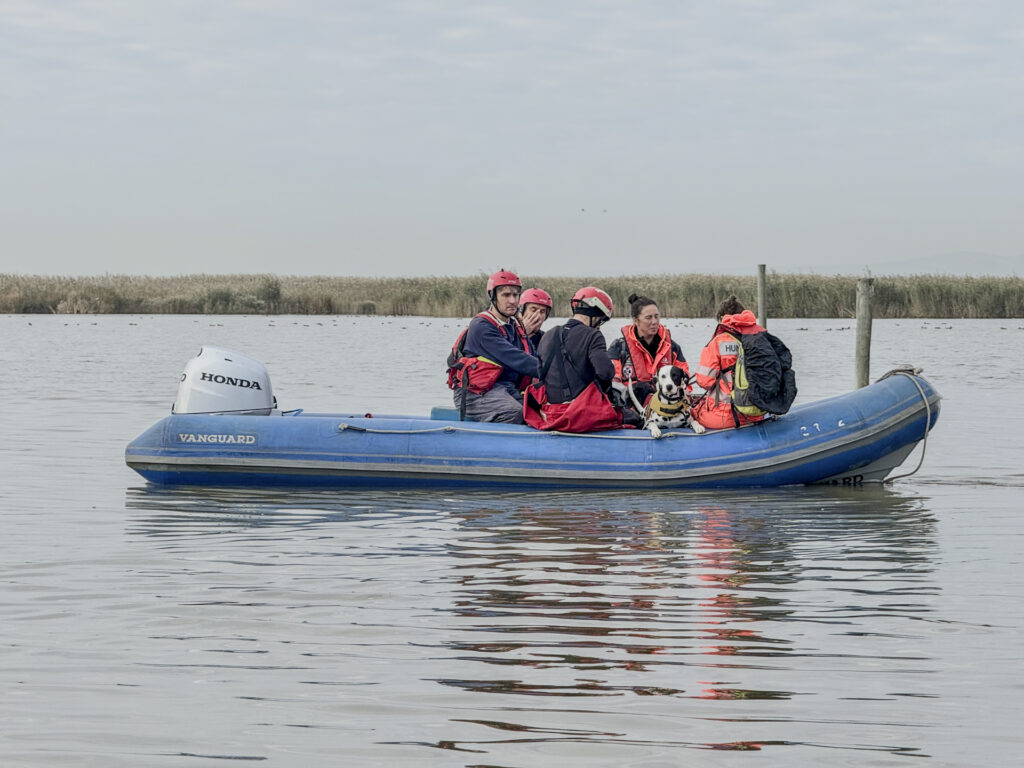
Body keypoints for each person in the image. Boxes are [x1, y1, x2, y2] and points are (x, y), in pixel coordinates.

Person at [524, 287, 639, 432]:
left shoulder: (547, 335)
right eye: (601, 320)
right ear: (596, 314)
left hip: (551, 413)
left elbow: (540, 374)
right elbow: (606, 373)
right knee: (635, 419)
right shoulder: (593, 335)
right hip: (581, 414)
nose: (599, 325)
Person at [446, 269, 540, 423]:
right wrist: (548, 370)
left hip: (505, 388)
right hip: (475, 393)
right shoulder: (482, 326)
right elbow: (515, 358)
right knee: (514, 413)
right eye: (506, 295)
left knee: (537, 413)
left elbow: (535, 357)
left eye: (516, 295)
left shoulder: (515, 326)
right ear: (493, 296)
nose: (512, 300)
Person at [690, 296, 767, 430]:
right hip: (757, 413)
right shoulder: (761, 337)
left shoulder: (718, 342)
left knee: (692, 413)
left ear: (721, 319)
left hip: (726, 416)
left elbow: (704, 381)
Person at [608, 293, 691, 406]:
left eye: (656, 316)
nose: (654, 322)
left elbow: (685, 380)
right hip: (631, 406)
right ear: (636, 321)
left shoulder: (672, 347)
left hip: (666, 407)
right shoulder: (619, 347)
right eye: (648, 318)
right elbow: (612, 382)